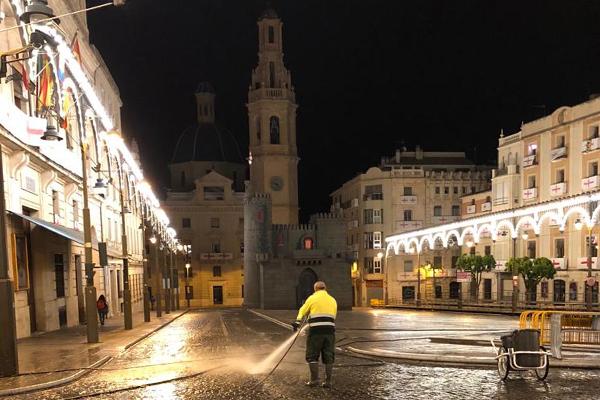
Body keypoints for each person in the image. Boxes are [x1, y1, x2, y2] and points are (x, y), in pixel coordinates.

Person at [292, 281, 337, 388]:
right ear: (325, 288)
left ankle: (314, 380)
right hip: (330, 332)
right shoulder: (332, 300)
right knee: (329, 355)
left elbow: (303, 310)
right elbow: (334, 316)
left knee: (312, 355)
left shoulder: (312, 298)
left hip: (316, 332)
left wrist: (298, 322)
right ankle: (328, 382)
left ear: (315, 289)